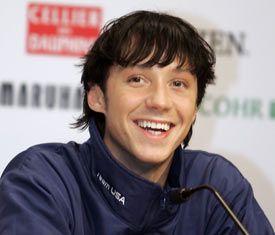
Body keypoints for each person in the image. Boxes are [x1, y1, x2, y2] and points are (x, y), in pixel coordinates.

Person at [0, 10, 273, 235]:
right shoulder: (41, 180)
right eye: (137, 80)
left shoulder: (215, 187)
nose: (160, 101)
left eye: (178, 84)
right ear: (97, 97)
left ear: (195, 108)